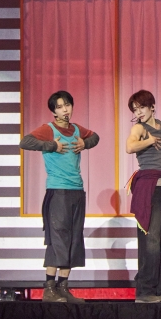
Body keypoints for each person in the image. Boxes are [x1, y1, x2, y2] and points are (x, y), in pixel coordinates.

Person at [19, 90, 99, 303]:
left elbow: (95, 137)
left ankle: (63, 288)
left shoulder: (76, 129)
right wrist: (52, 145)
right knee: (58, 238)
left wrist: (85, 143)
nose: (65, 110)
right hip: (58, 191)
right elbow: (25, 142)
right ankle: (49, 288)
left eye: (67, 105)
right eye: (60, 107)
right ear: (54, 111)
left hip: (77, 190)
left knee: (73, 238)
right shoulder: (49, 129)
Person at [126, 89, 161, 304]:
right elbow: (130, 146)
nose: (138, 112)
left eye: (141, 107)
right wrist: (149, 141)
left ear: (152, 107)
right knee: (151, 241)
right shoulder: (139, 128)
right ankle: (145, 291)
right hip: (148, 189)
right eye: (135, 110)